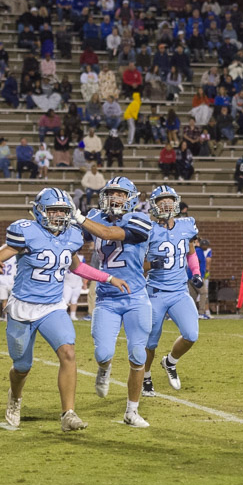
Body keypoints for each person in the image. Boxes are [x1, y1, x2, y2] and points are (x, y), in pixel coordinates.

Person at [0, 188, 128, 433]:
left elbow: (77, 267)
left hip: (52, 306)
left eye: (62, 211)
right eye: (53, 210)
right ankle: (15, 398)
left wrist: (108, 278)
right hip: (23, 307)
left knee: (68, 353)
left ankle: (68, 414)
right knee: (22, 367)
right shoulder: (27, 232)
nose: (58, 216)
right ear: (40, 211)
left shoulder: (72, 235)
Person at [78, 177, 161, 427]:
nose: (115, 198)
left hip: (136, 297)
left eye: (120, 194)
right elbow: (73, 240)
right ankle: (104, 369)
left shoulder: (140, 220)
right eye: (111, 193)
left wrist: (79, 217)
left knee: (137, 355)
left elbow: (106, 233)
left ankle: (131, 411)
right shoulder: (95, 216)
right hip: (107, 298)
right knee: (103, 353)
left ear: (131, 198)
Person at [141, 186, 202, 396]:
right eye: (161, 201)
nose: (166, 204)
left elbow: (191, 253)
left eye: (169, 200)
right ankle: (146, 375)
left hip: (179, 291)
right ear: (154, 205)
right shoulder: (147, 229)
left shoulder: (187, 225)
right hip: (156, 291)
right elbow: (137, 265)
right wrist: (151, 265)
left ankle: (170, 362)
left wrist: (196, 272)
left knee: (191, 334)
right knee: (150, 342)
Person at [195, 238, 212, 319]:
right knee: (204, 292)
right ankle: (201, 312)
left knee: (192, 295)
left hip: (191, 276)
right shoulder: (198, 251)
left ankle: (192, 313)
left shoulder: (197, 250)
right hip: (197, 276)